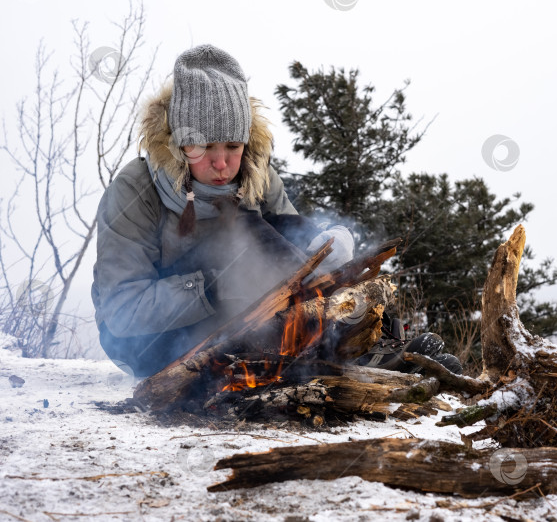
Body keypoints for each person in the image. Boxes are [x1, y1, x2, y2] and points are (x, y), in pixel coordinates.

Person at [92, 44, 459, 377]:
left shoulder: (256, 174)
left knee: (276, 231)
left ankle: (364, 338)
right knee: (252, 233)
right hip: (143, 344)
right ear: (178, 144)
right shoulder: (136, 187)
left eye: (232, 146)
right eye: (204, 148)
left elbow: (289, 254)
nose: (221, 164)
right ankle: (353, 352)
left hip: (227, 325)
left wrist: (323, 246)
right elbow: (120, 312)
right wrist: (218, 287)